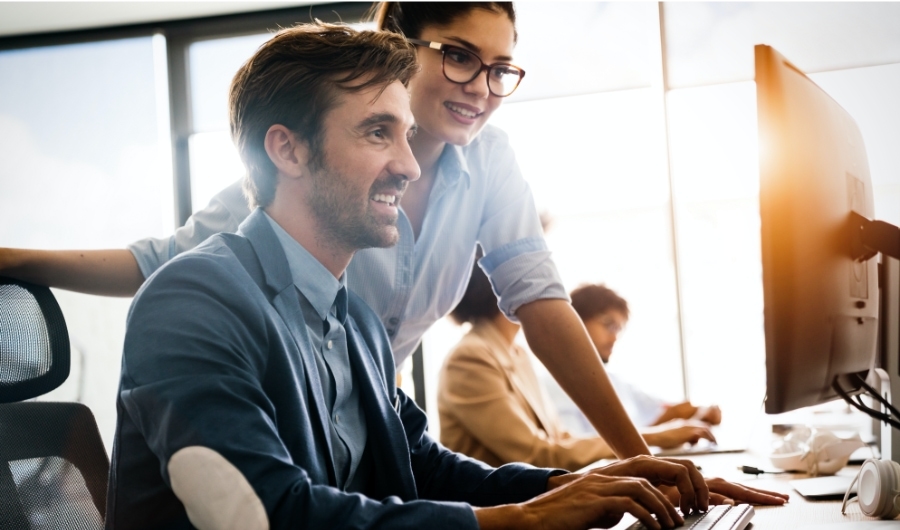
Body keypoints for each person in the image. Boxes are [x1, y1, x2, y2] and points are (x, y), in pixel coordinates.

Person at [107, 23, 789, 529]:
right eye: (378, 133)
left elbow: (422, 467)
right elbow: (266, 514)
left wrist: (587, 482)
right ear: (287, 149)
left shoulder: (356, 323)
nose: (408, 166)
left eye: (405, 135)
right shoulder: (193, 300)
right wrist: (524, 521)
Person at [0, 2, 654, 460]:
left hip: (372, 422)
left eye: (500, 68)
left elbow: (540, 302)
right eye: (458, 56)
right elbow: (161, 263)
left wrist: (639, 459)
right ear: (401, 44)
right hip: (286, 434)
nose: (481, 87)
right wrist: (13, 259)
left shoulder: (490, 163)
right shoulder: (307, 169)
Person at [438, 259, 719, 471]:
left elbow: (560, 438)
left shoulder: (516, 354)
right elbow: (538, 455)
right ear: (498, 280)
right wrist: (655, 437)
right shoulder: (470, 359)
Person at [570, 283, 722, 428]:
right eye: (608, 324)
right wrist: (660, 431)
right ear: (576, 319)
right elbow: (574, 451)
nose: (614, 337)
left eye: (618, 329)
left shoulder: (617, 383)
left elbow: (664, 407)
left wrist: (699, 412)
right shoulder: (556, 384)